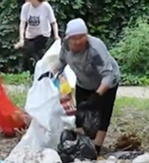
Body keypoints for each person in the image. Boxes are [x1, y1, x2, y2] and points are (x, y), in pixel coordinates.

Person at [48, 18, 120, 155]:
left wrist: (98, 95)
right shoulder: (66, 47)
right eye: (73, 38)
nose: (77, 41)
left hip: (106, 84)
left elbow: (108, 75)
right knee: (80, 113)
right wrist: (49, 73)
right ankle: (82, 143)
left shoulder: (94, 49)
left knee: (103, 114)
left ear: (86, 36)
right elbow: (61, 62)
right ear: (68, 38)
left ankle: (96, 149)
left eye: (81, 37)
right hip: (83, 82)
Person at [15, 0, 59, 73]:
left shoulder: (45, 6)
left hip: (43, 34)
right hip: (30, 35)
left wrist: (56, 36)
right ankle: (37, 72)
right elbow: (22, 23)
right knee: (31, 54)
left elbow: (53, 22)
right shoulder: (26, 7)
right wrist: (21, 39)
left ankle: (42, 69)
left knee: (32, 49)